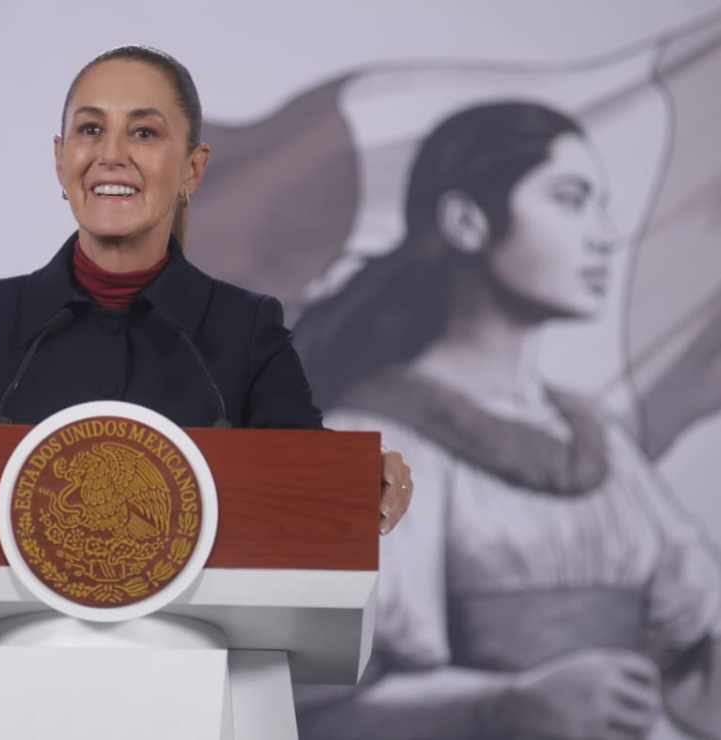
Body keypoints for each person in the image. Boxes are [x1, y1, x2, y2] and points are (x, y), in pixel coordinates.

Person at [0, 47, 413, 556]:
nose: (111, 153)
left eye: (144, 132)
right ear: (60, 158)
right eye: (90, 129)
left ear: (193, 171)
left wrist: (366, 480)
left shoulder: (248, 330)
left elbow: (307, 491)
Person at [292, 102, 720, 739]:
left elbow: (693, 656)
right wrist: (505, 704)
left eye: (602, 205)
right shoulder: (370, 443)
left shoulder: (602, 445)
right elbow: (313, 707)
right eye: (571, 200)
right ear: (467, 222)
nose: (604, 235)